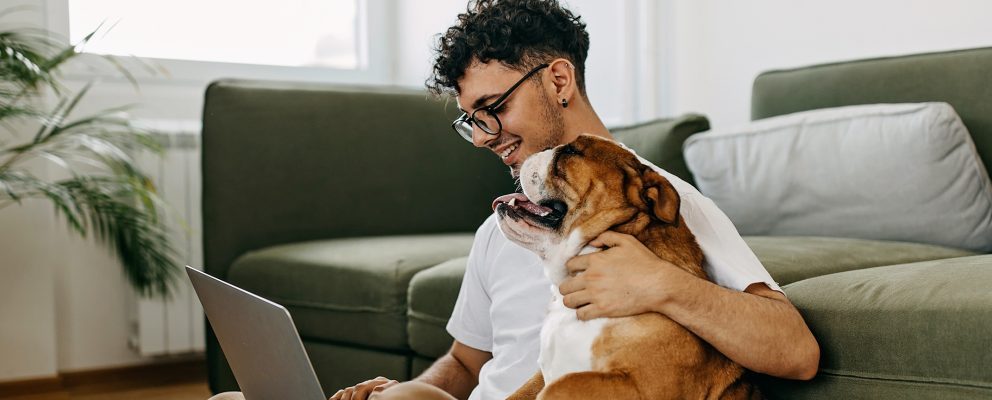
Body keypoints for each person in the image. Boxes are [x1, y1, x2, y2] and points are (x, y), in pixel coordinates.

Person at [210, 1, 819, 400]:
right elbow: (467, 366)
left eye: (494, 109)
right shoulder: (502, 226)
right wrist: (404, 392)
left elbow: (795, 350)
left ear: (558, 81)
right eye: (471, 121)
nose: (486, 137)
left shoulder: (659, 202)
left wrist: (663, 284)